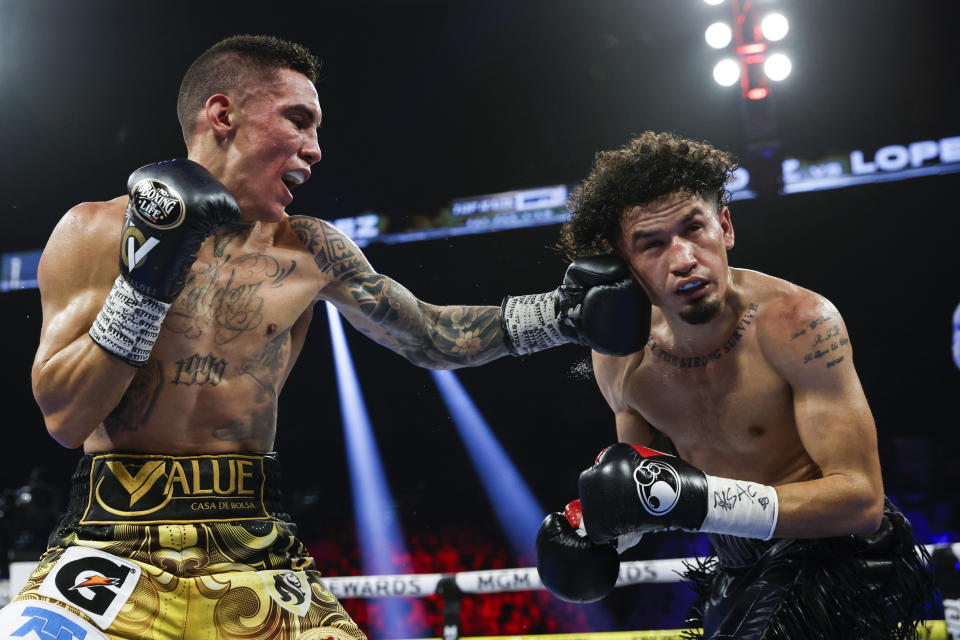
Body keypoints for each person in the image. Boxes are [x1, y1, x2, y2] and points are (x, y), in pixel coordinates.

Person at [0, 35, 651, 640]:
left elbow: (428, 334)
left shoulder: (309, 249)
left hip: (253, 547)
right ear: (222, 114)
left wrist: (561, 315)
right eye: (298, 120)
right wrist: (146, 281)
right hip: (112, 543)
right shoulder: (93, 231)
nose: (315, 149)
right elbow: (64, 417)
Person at [535, 132, 935, 639]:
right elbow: (649, 488)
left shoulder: (799, 323)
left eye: (694, 228)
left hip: (836, 555)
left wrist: (703, 504)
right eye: (652, 244)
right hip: (737, 561)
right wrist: (599, 533)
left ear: (724, 226)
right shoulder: (619, 359)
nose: (683, 259)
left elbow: (861, 501)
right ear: (623, 263)